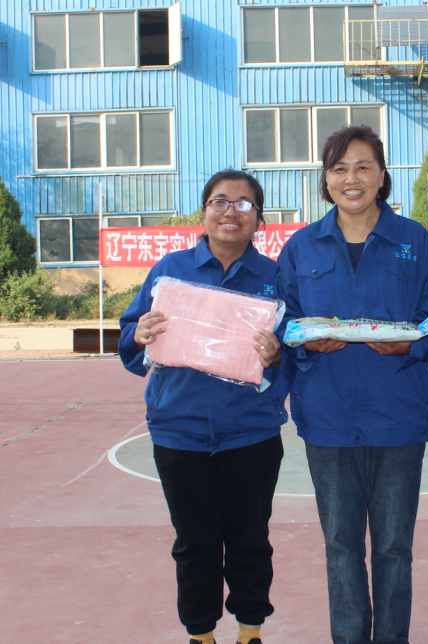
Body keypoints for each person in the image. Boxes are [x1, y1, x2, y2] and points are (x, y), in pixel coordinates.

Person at [276, 125, 428, 644]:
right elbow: (282, 321)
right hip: (327, 419)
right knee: (341, 547)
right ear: (326, 180)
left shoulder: (415, 241)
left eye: (363, 166)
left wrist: (411, 346)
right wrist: (305, 341)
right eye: (339, 168)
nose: (352, 179)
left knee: (394, 547)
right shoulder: (301, 247)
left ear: (381, 175)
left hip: (398, 416)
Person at [118, 169, 290, 644]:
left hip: (251, 432)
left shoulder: (276, 278)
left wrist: (277, 355)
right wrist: (139, 334)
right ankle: (200, 634)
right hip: (179, 431)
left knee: (250, 541)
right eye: (220, 201)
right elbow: (130, 335)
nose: (231, 211)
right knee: (194, 543)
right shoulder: (170, 271)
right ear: (204, 211)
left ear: (259, 217)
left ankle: (250, 631)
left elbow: (296, 352)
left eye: (244, 203)